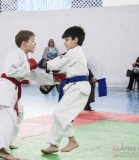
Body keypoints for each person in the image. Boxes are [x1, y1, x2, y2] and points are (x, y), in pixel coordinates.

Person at [41, 26, 91, 154]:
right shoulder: (74, 54)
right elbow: (62, 74)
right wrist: (49, 83)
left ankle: (72, 140)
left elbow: (56, 64)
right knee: (60, 115)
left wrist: (41, 64)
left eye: (67, 39)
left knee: (59, 114)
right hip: (74, 87)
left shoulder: (75, 52)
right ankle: (53, 144)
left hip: (78, 87)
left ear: (75, 39)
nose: (64, 42)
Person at [0, 30, 41, 160]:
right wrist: (28, 65)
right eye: (32, 41)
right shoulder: (15, 54)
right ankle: (3, 149)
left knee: (19, 114)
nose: (35, 43)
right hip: (6, 89)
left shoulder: (25, 58)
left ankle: (8, 141)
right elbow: (10, 71)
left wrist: (51, 81)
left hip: (13, 90)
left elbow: (33, 75)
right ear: (24, 43)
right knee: (9, 120)